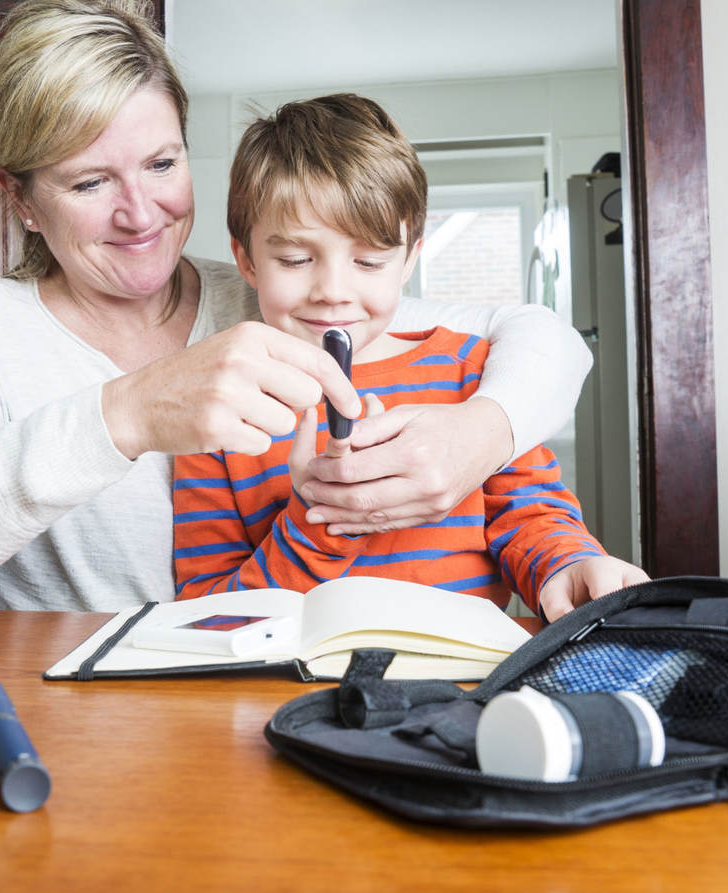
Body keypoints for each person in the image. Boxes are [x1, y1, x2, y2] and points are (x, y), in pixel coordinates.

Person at [0, 0, 592, 615]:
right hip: (66, 726)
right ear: (23, 200)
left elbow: (535, 336)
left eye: (162, 161)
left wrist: (484, 432)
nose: (141, 213)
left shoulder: (272, 294)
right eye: (89, 183)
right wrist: (124, 417)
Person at [172, 94, 647, 621]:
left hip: (463, 681)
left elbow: (532, 517)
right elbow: (206, 612)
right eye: (296, 259)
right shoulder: (221, 410)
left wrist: (568, 565)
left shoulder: (473, 373)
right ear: (247, 260)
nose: (333, 290)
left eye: (370, 261)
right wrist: (315, 520)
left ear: (408, 260)